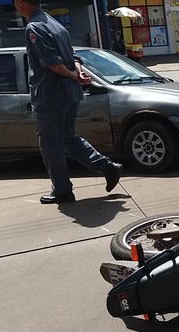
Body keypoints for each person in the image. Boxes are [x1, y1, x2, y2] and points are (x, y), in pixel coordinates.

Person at [14, 0, 123, 204]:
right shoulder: (54, 23)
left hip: (51, 95)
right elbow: (73, 57)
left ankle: (62, 190)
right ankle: (107, 167)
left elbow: (53, 64)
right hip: (69, 94)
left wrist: (75, 75)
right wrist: (78, 73)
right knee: (67, 138)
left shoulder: (34, 27)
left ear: (20, 3)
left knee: (50, 144)